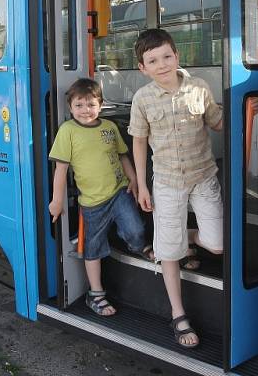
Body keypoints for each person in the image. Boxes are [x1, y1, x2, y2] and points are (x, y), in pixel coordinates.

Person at [128, 28, 223, 349]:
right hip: (167, 182)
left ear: (177, 55)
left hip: (203, 176)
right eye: (153, 60)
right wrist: (142, 184)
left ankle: (188, 237)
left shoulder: (199, 88)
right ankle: (178, 313)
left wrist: (248, 107)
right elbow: (138, 143)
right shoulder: (142, 98)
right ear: (143, 68)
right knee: (169, 251)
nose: (162, 64)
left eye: (167, 56)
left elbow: (217, 122)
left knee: (218, 243)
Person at [48, 78, 153, 317]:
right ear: (70, 107)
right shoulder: (68, 131)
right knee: (93, 249)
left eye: (91, 105)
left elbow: (123, 156)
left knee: (136, 229)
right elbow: (61, 170)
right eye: (79, 105)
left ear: (101, 105)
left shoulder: (109, 127)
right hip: (92, 203)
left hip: (119, 191)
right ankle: (95, 294)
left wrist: (134, 179)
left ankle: (138, 246)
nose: (86, 110)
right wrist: (56, 201)